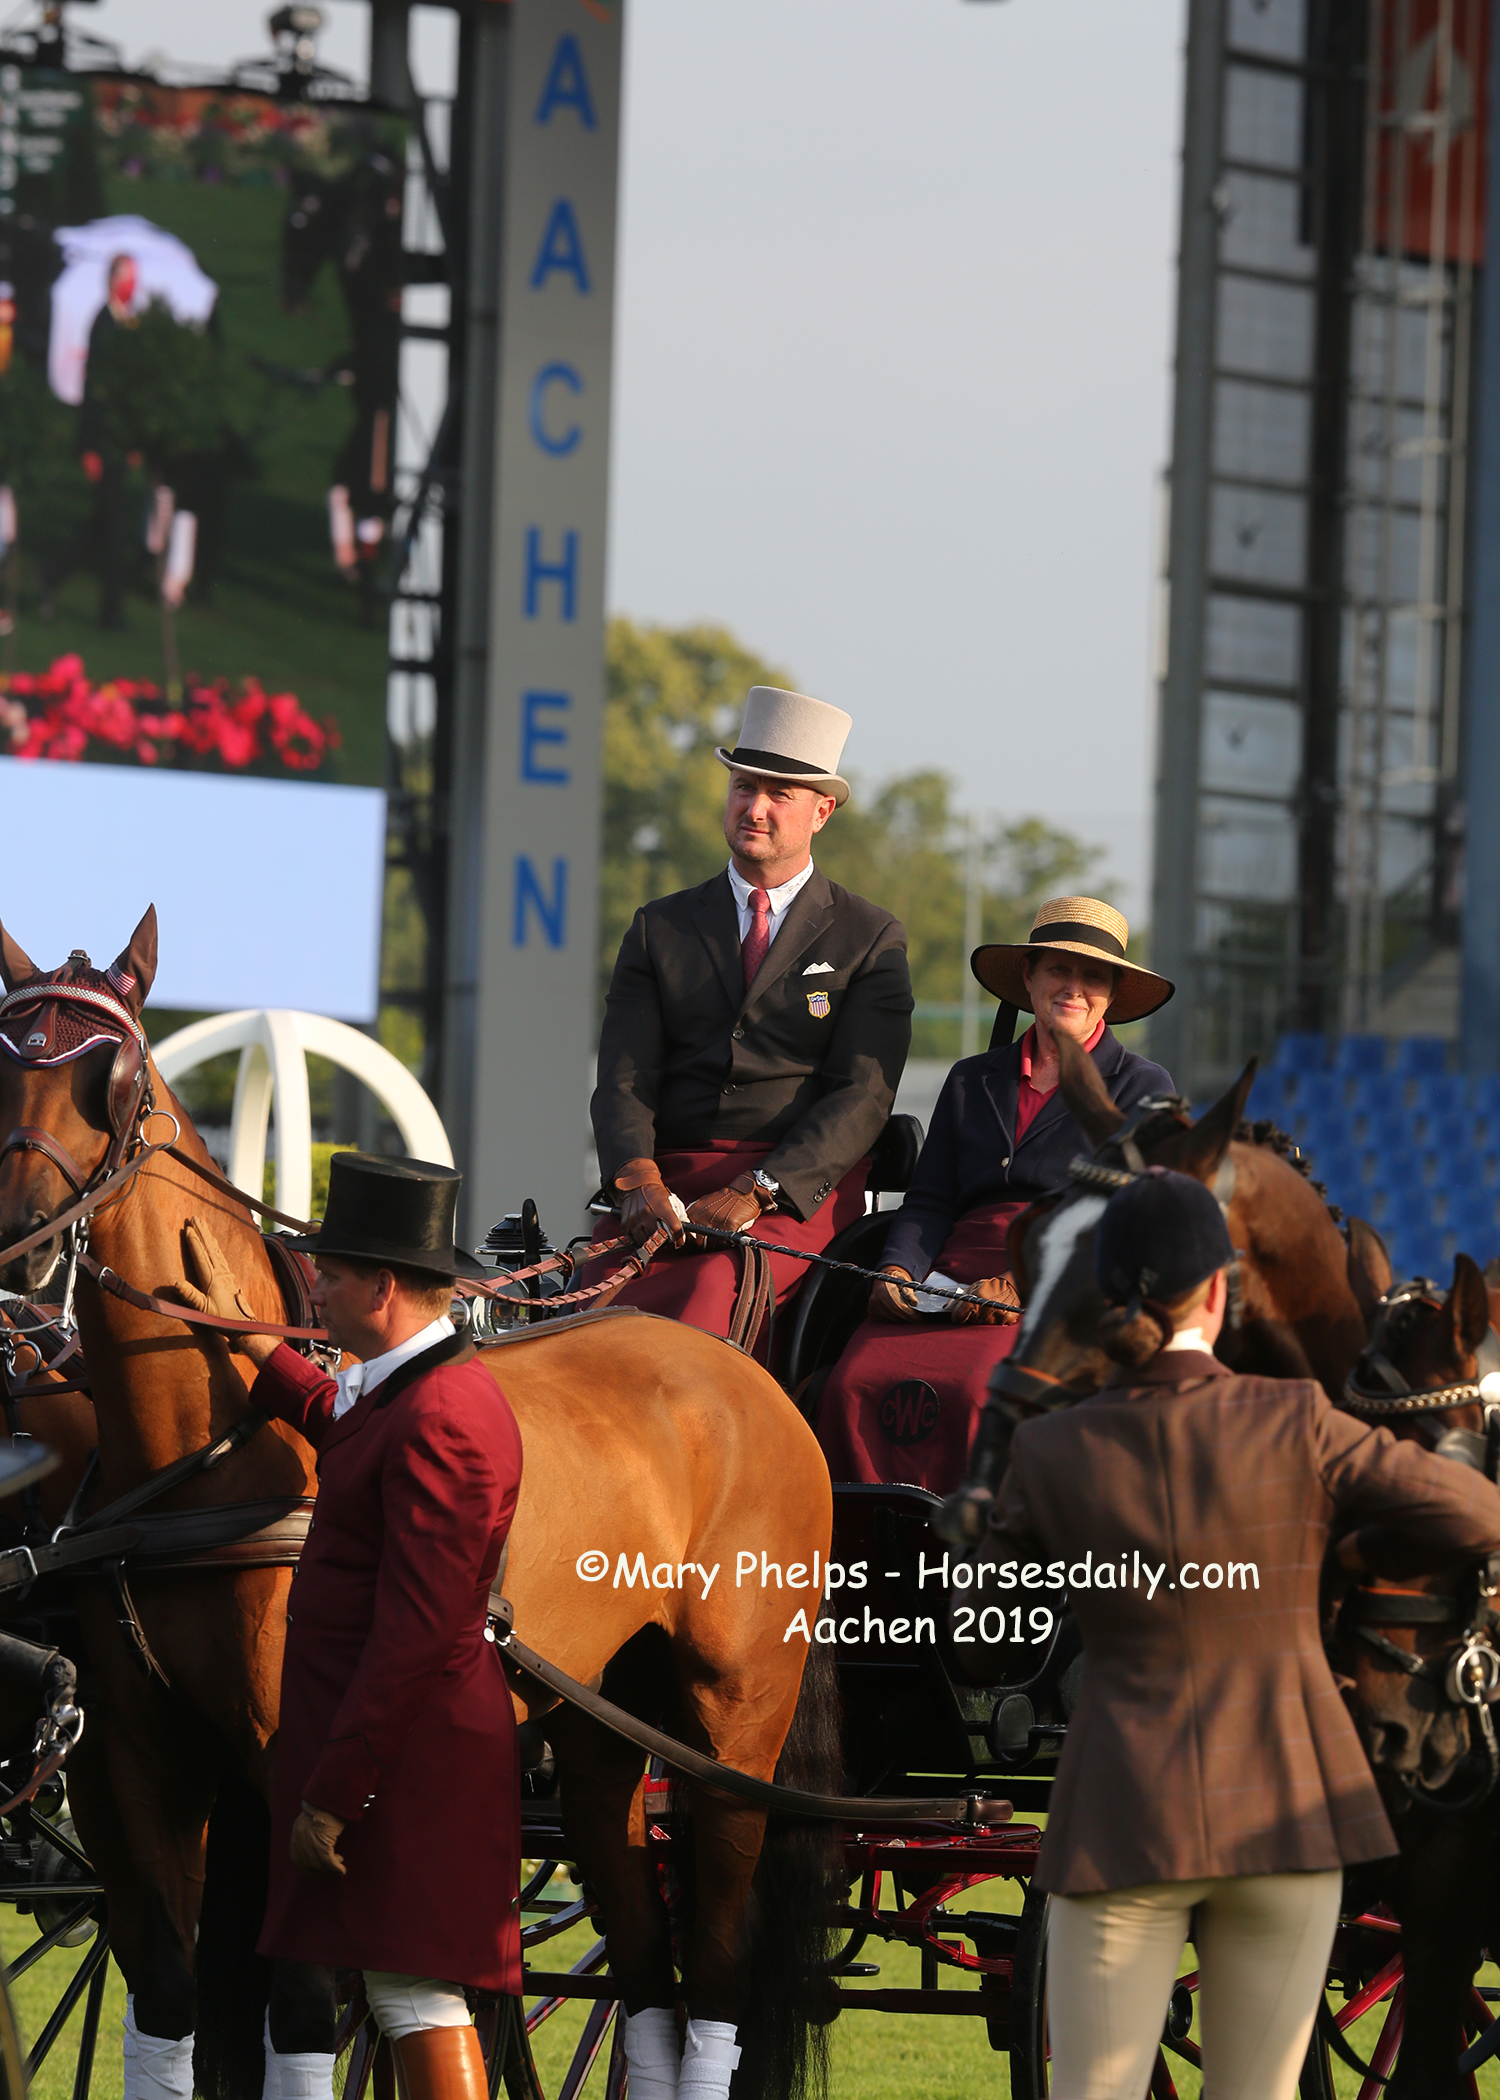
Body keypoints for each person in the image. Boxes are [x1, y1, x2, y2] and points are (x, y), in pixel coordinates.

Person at [977, 1168, 1500, 2100]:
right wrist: (1342, 1545)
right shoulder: (1299, 1421)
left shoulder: (1049, 1451)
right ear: (1218, 1293)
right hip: (1287, 1820)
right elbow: (1476, 1515)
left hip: (1120, 1822)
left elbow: (999, 1532)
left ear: (1103, 1300)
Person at [172, 1153, 522, 2100]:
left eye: (330, 1272)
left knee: (413, 1994)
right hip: (389, 1753)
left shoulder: (446, 1413)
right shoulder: (405, 1388)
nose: (314, 1285)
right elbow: (341, 1418)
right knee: (400, 1987)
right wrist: (247, 1340)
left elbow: (418, 1635)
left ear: (386, 1285)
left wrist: (336, 1793)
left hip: (407, 1759)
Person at [589, 685, 913, 1356]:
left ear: (822, 812)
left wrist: (760, 1189)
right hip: (665, 1183)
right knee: (586, 1304)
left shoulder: (870, 937)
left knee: (708, 1294)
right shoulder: (659, 927)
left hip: (794, 1195)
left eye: (779, 795)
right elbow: (624, 1074)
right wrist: (636, 1179)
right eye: (743, 787)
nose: (754, 809)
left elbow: (863, 1096)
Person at [815, 895, 1174, 1490]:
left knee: (979, 1390)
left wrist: (1022, 1284)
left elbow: (1127, 1220)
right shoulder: (971, 1078)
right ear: (1029, 978)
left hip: (1062, 1290)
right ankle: (865, 1570)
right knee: (851, 1382)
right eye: (1058, 968)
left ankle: (976, 1569)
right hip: (948, 1280)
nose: (1073, 987)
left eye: (1092, 976)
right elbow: (930, 1201)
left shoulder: (1141, 1085)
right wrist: (897, 1269)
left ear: (1111, 993)